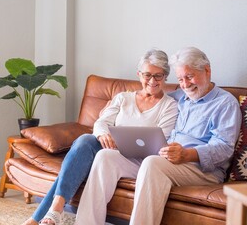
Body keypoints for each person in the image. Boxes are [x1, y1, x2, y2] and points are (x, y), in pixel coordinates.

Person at [74, 47, 242, 225]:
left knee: (153, 163)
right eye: (180, 79)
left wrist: (187, 154)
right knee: (105, 156)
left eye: (190, 76)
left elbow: (224, 148)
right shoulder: (178, 97)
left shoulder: (225, 103)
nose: (185, 84)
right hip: (165, 159)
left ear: (207, 70)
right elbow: (151, 99)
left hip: (201, 169)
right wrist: (108, 111)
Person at [22, 48, 178, 225]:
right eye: (147, 75)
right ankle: (56, 209)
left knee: (86, 158)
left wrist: (120, 142)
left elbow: (160, 139)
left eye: (158, 76)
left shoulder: (170, 106)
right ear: (139, 74)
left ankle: (42, 216)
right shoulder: (123, 98)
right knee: (85, 140)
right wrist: (103, 133)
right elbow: (101, 122)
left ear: (166, 76)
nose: (152, 81)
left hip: (138, 159)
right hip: (110, 149)